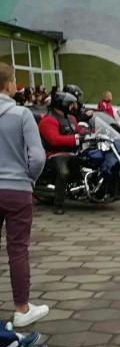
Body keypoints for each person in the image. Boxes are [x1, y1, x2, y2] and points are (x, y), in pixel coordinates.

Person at [0, 62, 50, 327]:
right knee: (17, 250)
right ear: (9, 85)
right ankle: (22, 309)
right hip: (17, 190)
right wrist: (28, 178)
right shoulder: (22, 115)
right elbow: (38, 157)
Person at [38, 92, 83, 215]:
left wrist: (88, 132)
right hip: (56, 154)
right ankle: (58, 205)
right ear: (62, 104)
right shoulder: (48, 120)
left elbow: (78, 130)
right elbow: (54, 139)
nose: (73, 107)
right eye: (71, 104)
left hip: (73, 152)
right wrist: (75, 139)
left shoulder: (71, 118)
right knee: (63, 173)